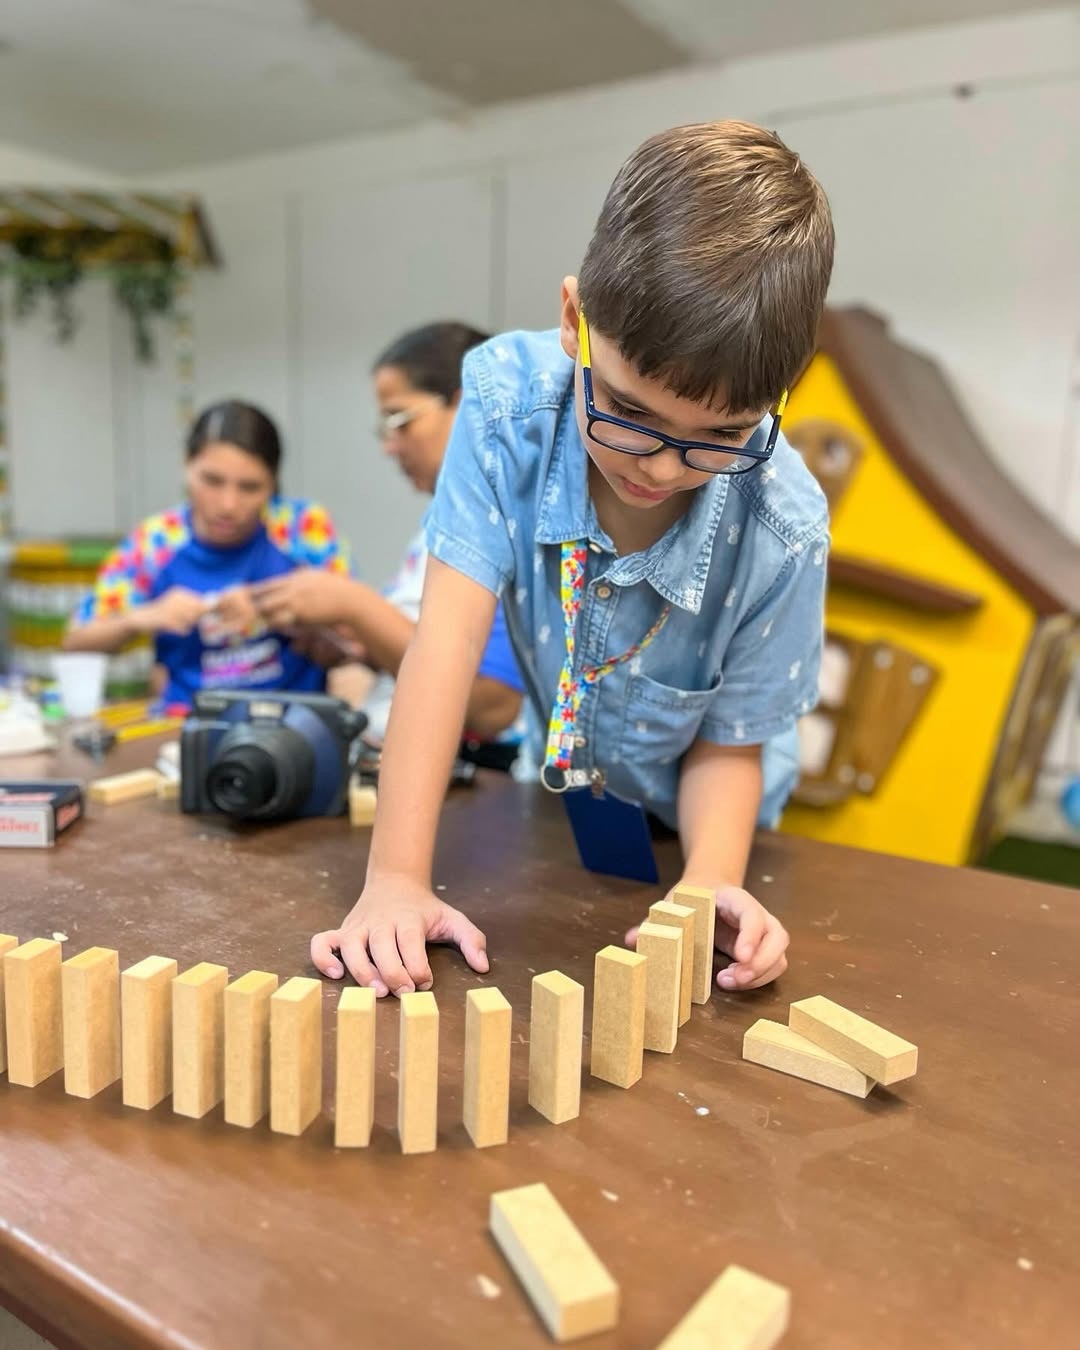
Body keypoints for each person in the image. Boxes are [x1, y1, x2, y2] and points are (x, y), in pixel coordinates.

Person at [311, 121, 834, 1001]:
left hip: (715, 826)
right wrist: (396, 878)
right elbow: (444, 645)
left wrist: (707, 887)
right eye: (629, 413)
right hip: (556, 803)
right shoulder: (503, 407)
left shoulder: (784, 524)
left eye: (719, 436)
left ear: (779, 395)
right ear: (573, 320)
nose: (659, 467)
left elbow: (730, 744)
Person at [251, 323, 524, 752]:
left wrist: (355, 606)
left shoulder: (511, 521)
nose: (390, 446)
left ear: (467, 404)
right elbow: (429, 653)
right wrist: (360, 647)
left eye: (400, 420)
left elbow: (491, 707)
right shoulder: (442, 521)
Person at [64, 400, 353, 708]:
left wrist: (272, 611)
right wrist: (146, 616)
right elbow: (75, 641)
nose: (228, 505)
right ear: (187, 467)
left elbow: (357, 635)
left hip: (294, 721)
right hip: (187, 724)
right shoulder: (156, 541)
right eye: (212, 481)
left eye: (249, 487)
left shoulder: (302, 527)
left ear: (273, 484)